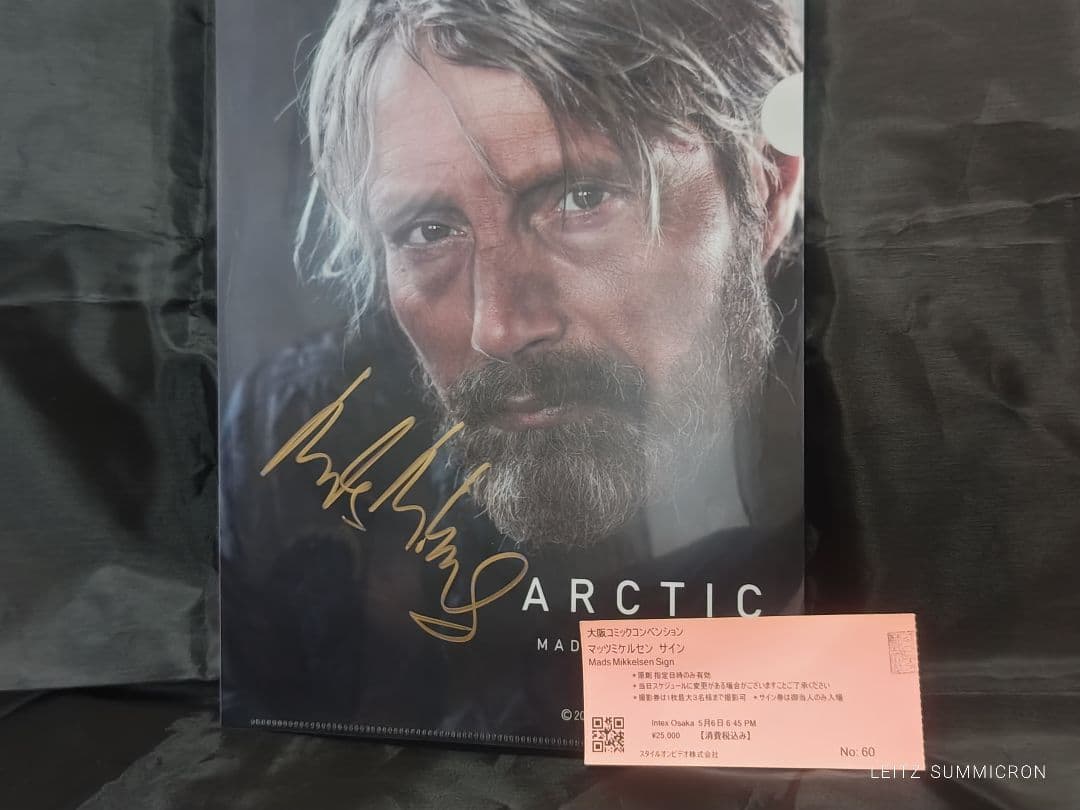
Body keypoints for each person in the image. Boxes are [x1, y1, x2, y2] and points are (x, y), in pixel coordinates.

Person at [221, 0, 804, 742]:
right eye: (429, 231)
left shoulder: (900, 445)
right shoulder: (293, 445)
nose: (497, 327)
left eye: (582, 200)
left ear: (768, 188)